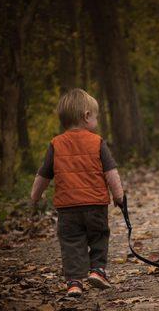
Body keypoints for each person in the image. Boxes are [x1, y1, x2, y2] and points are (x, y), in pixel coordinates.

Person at [30, 88, 124, 297]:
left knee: (72, 243)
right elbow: (111, 173)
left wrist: (35, 197)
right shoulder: (97, 142)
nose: (97, 121)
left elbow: (43, 175)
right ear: (86, 116)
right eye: (96, 116)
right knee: (99, 237)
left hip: (68, 208)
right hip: (95, 205)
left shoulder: (56, 144)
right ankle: (98, 271)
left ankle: (74, 283)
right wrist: (119, 196)